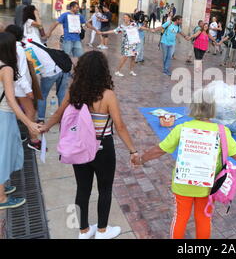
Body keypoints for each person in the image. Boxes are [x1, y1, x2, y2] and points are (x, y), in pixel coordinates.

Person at [131, 86, 236, 239]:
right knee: (204, 219)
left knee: (180, 218)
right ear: (212, 109)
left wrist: (140, 159)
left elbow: (159, 150)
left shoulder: (182, 128)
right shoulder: (222, 132)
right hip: (207, 187)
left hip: (182, 185)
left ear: (193, 107)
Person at [41, 51, 138, 239]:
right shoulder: (108, 95)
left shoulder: (74, 91)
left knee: (82, 189)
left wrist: (45, 127)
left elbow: (58, 114)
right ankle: (102, 230)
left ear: (82, 70)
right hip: (103, 148)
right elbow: (120, 126)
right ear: (103, 71)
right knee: (105, 189)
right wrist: (132, 150)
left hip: (80, 146)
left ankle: (84, 231)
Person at [0, 32, 41, 210]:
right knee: (3, 155)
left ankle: (1, 187)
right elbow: (10, 99)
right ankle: (1, 198)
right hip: (4, 116)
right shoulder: (6, 69)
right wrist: (28, 122)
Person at [5, 25, 42, 151]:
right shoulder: (19, 49)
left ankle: (19, 136)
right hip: (20, 88)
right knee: (30, 112)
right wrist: (28, 90)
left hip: (11, 85)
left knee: (14, 111)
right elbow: (20, 72)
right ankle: (34, 140)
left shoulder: (9, 47)